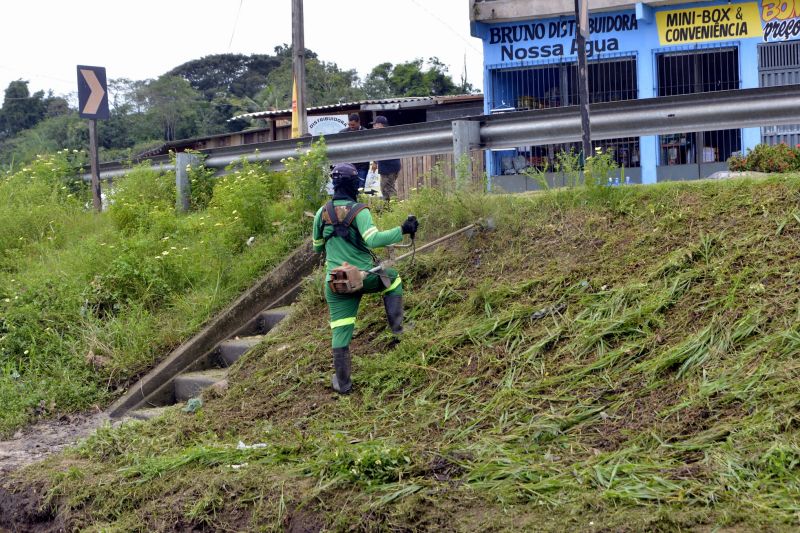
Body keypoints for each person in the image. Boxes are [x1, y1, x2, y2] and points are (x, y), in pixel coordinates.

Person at [312, 163, 419, 394]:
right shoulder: (359, 211)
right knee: (392, 277)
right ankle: (399, 330)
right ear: (354, 185)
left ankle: (343, 384)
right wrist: (403, 228)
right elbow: (373, 239)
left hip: (337, 282)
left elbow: (317, 247)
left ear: (334, 184)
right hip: (365, 277)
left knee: (340, 330)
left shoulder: (322, 213)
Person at [371, 115, 402, 202]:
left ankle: (395, 208)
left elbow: (382, 150)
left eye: (375, 124)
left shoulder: (384, 135)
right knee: (386, 188)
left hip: (389, 166)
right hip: (390, 165)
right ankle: (389, 209)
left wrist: (375, 162)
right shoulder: (388, 134)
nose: (373, 127)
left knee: (388, 189)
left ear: (380, 125)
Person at [339, 113, 370, 188]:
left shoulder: (366, 133)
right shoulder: (343, 133)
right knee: (348, 187)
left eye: (353, 125)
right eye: (349, 125)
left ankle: (359, 199)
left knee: (360, 187)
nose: (351, 127)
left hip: (362, 166)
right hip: (348, 166)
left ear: (359, 122)